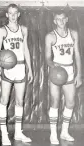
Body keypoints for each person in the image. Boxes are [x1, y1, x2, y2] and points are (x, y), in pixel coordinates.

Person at [0, 4, 33, 145]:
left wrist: (30, 69)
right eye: (10, 13)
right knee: (4, 100)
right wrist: (4, 59)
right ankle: (4, 134)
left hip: (21, 67)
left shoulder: (23, 30)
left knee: (19, 101)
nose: (12, 15)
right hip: (8, 68)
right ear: (7, 15)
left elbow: (26, 50)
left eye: (15, 13)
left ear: (18, 15)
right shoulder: (2, 30)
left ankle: (18, 133)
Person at [45, 10, 82, 145]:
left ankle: (64, 132)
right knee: (55, 102)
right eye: (57, 19)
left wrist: (79, 74)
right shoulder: (50, 36)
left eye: (63, 18)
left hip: (70, 70)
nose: (60, 21)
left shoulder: (73, 34)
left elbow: (77, 54)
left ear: (66, 19)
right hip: (56, 71)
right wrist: (52, 65)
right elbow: (47, 58)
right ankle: (53, 134)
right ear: (54, 21)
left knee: (70, 102)